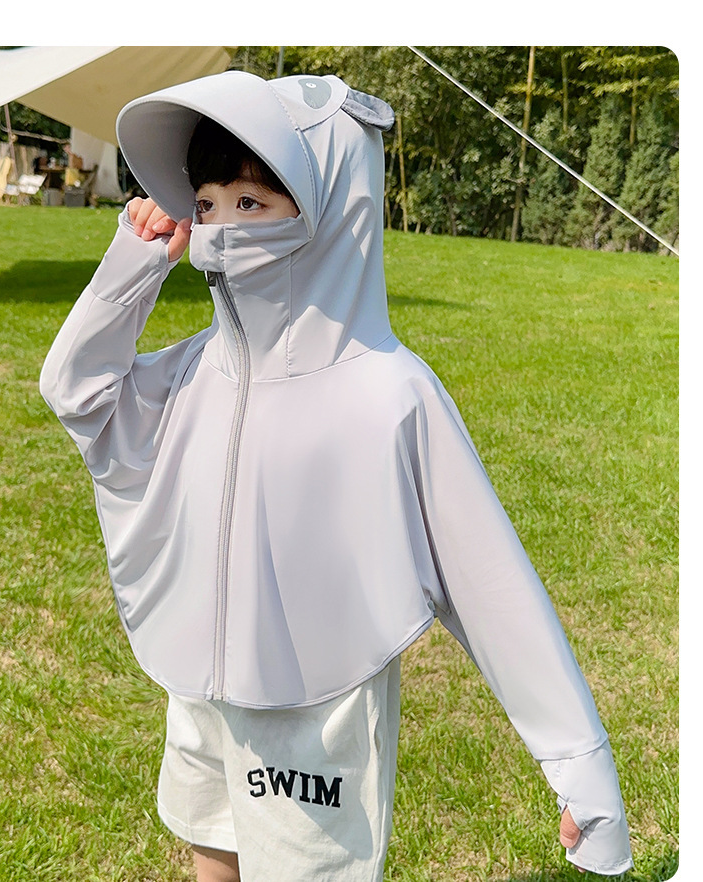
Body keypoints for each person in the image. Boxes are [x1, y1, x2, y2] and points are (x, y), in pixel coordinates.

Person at [40, 71, 633, 882]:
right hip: (200, 688)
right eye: (206, 204)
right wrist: (132, 266)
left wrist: (578, 763)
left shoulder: (390, 394)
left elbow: (493, 588)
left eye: (252, 202)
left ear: (329, 209)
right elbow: (76, 390)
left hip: (316, 707)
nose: (219, 227)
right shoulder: (192, 371)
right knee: (211, 842)